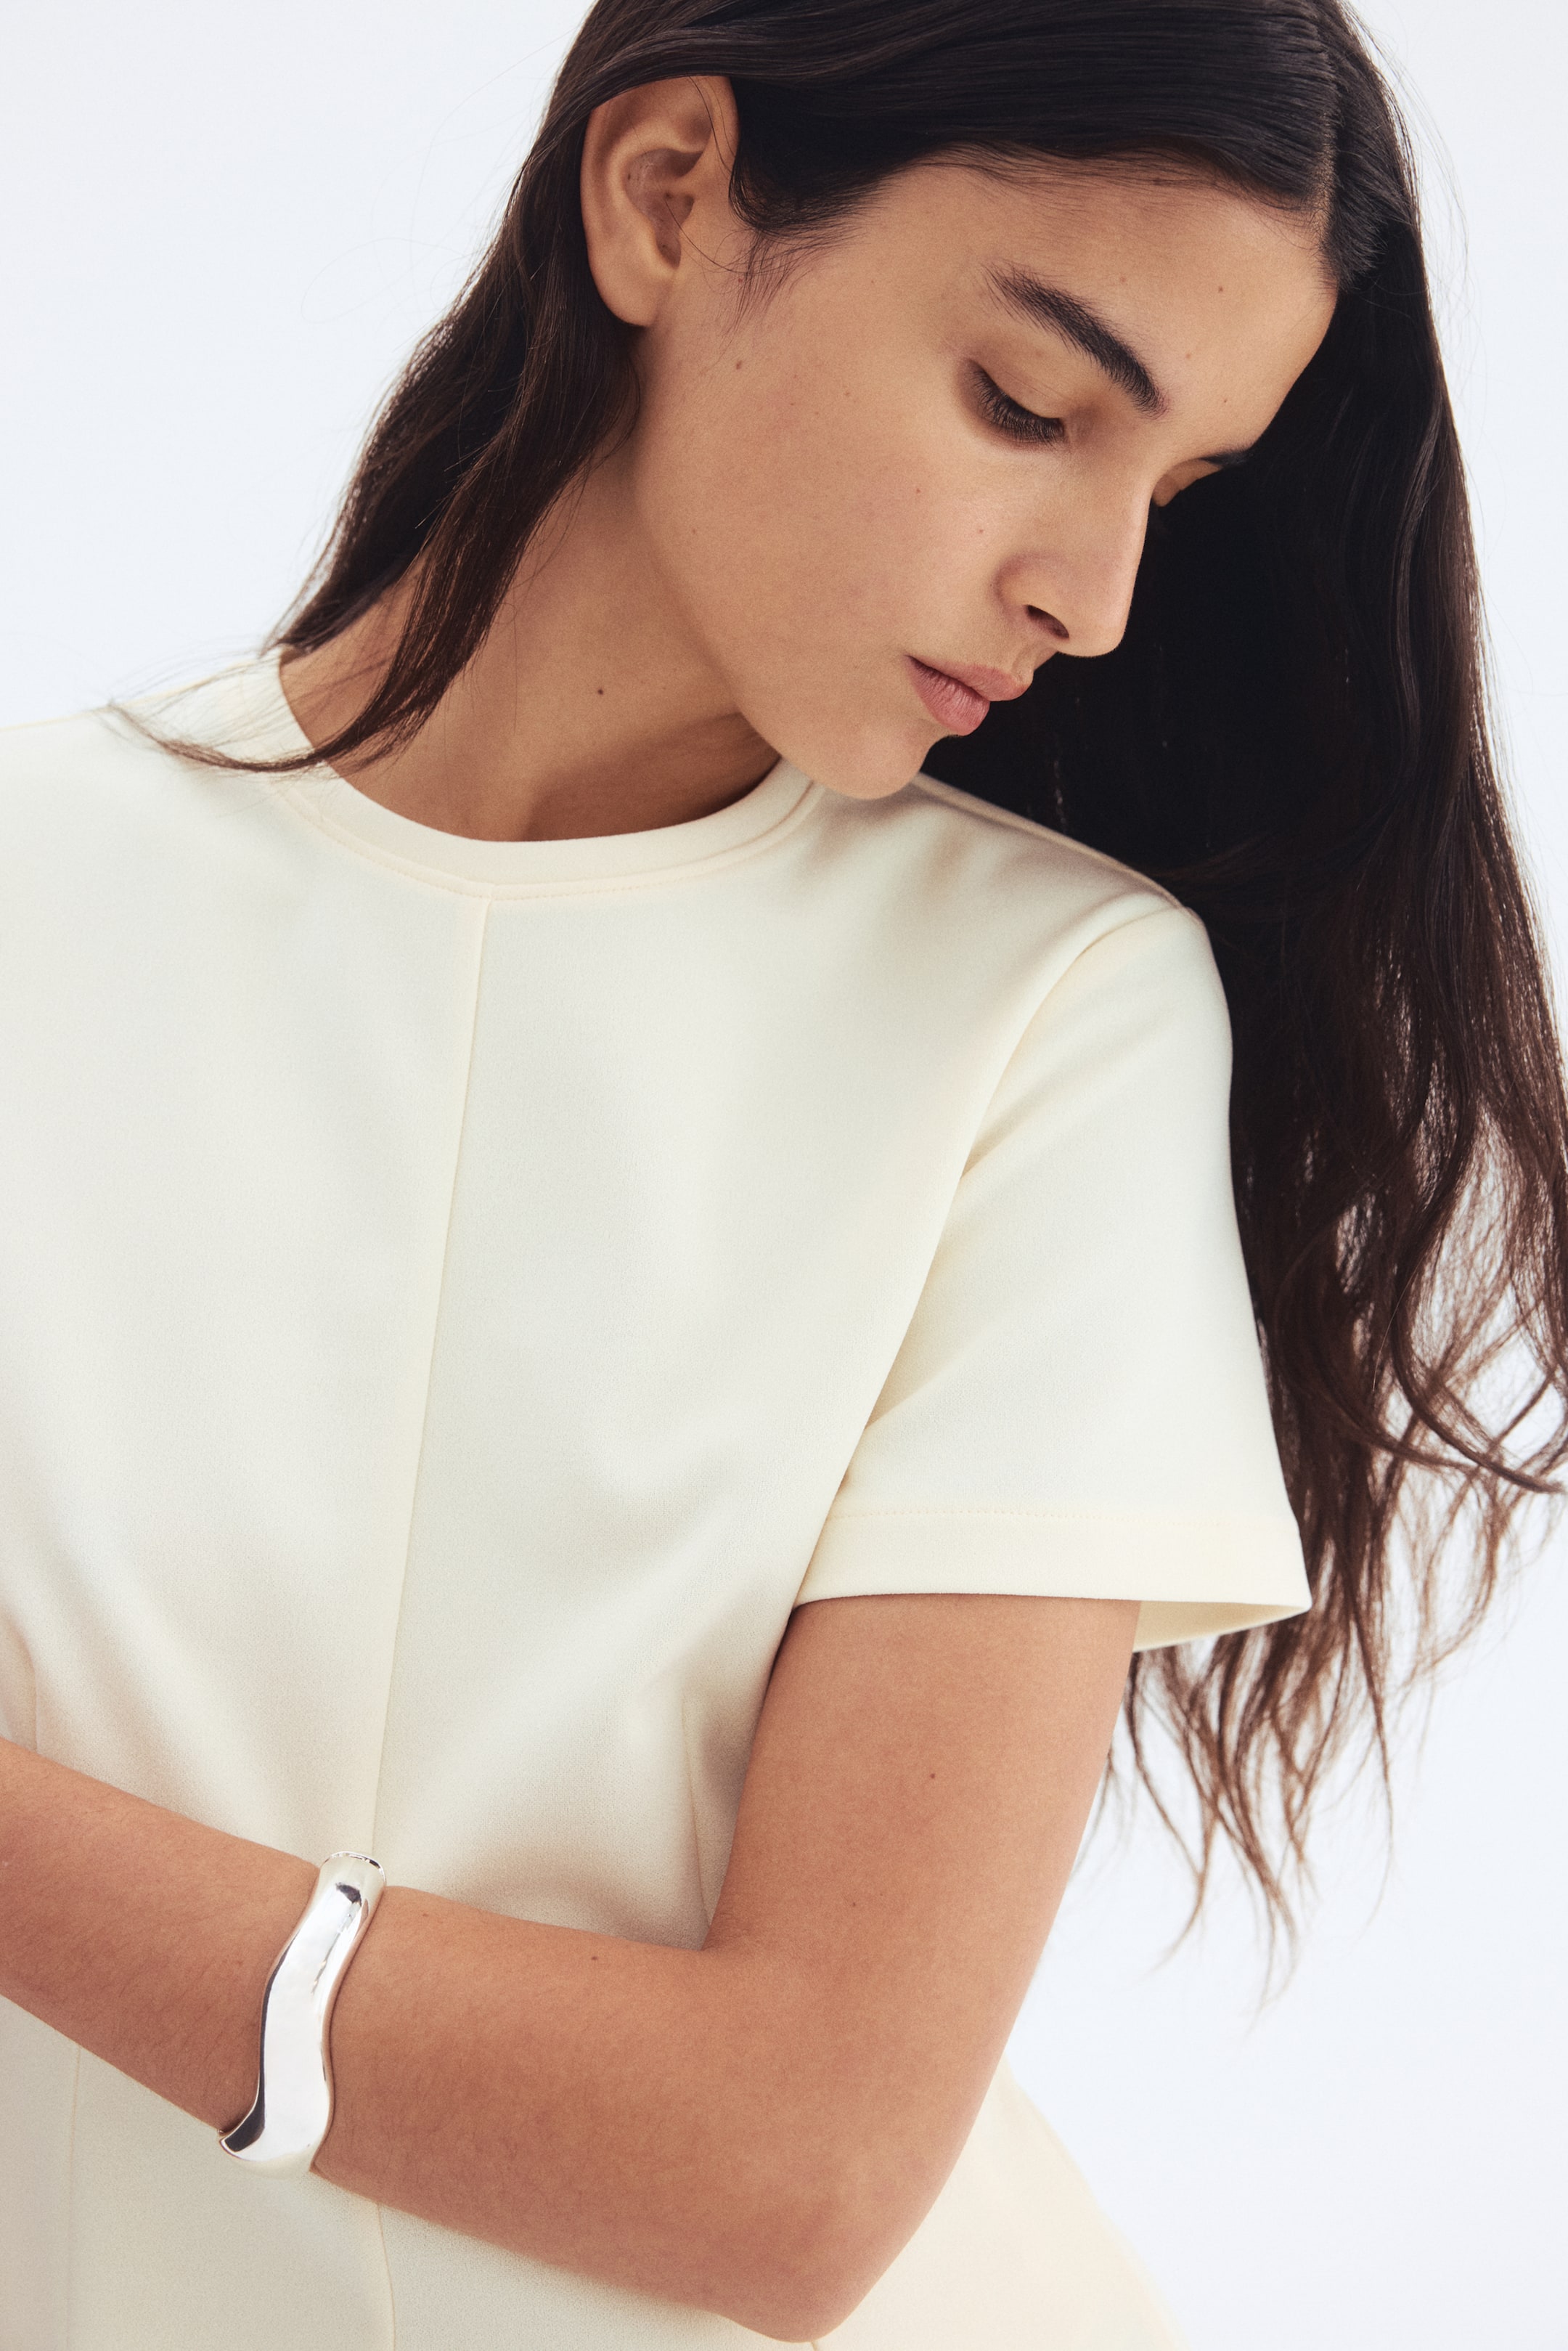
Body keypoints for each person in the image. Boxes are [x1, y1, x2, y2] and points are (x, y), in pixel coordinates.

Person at [1, 0, 1564, 2344]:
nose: (1098, 597)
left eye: (1176, 493)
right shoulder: (33, 895)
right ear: (667, 196)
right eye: (1029, 405)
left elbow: (794, 2168)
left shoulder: (1050, 1013)